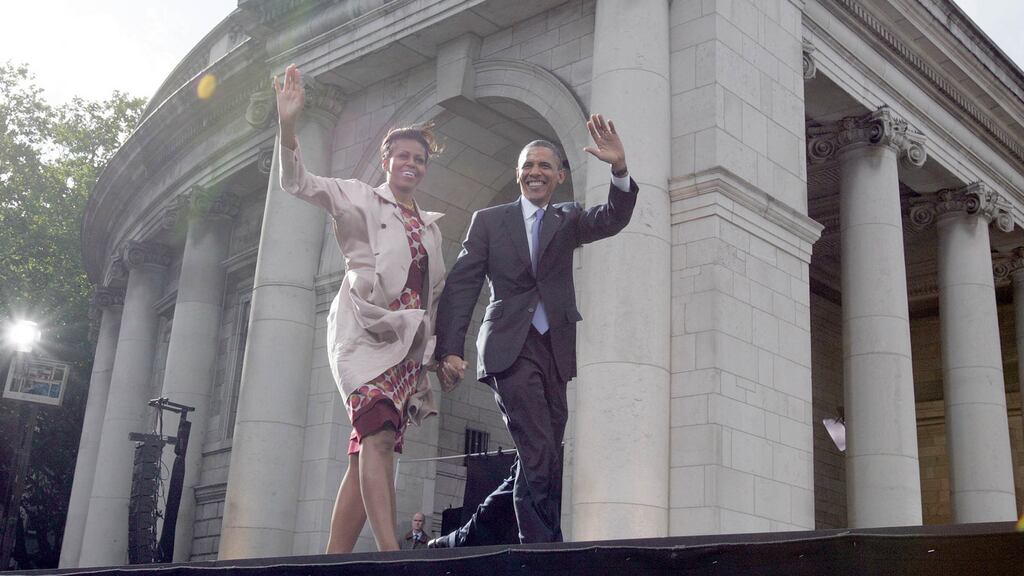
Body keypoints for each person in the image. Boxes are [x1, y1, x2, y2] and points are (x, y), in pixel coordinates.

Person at [429, 115, 637, 546]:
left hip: (555, 350)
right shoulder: (489, 221)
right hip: (508, 346)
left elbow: (613, 218)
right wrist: (449, 348)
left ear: (559, 176)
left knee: (540, 459)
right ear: (518, 174)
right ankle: (544, 553)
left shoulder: (569, 218)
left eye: (545, 166)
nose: (535, 172)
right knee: (540, 451)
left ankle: (464, 538)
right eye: (528, 165)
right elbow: (463, 283)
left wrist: (619, 170)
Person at [276, 64, 446, 553]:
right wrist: (288, 126)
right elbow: (298, 182)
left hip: (402, 350)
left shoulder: (431, 229)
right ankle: (391, 553)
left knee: (370, 447)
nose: (410, 163)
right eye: (401, 156)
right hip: (361, 335)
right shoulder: (357, 196)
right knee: (376, 436)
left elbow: (432, 298)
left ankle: (333, 561)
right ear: (386, 160)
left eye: (419, 158)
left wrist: (437, 357)